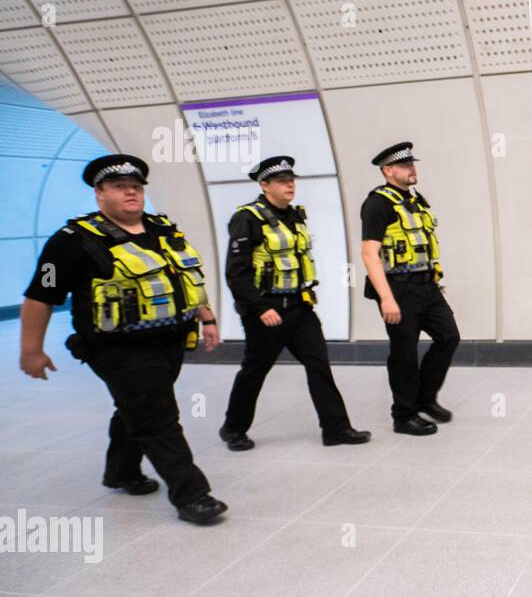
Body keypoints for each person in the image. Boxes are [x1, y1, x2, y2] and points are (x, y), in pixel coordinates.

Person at [17, 154, 228, 524]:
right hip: (117, 349)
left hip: (171, 341)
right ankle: (192, 495)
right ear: (99, 194)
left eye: (136, 186)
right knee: (159, 417)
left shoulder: (162, 229)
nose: (131, 192)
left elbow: (186, 278)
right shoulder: (71, 241)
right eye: (119, 186)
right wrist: (30, 350)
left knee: (135, 408)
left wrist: (206, 316)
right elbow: (40, 296)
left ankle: (122, 472)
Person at [217, 155, 370, 451]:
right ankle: (233, 429)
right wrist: (261, 308)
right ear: (264, 185)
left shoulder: (295, 215)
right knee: (255, 370)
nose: (290, 185)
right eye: (282, 181)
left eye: (291, 180)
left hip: (300, 308)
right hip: (266, 310)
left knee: (319, 365)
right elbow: (236, 273)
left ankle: (336, 429)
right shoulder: (247, 218)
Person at [359, 141, 460, 436]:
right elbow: (369, 254)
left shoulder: (415, 201)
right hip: (398, 290)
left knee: (449, 337)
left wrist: (434, 282)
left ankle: (425, 399)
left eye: (412, 164)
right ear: (388, 170)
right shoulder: (377, 204)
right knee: (404, 353)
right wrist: (386, 298)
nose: (412, 169)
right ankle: (403, 415)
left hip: (427, 287)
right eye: (404, 165)